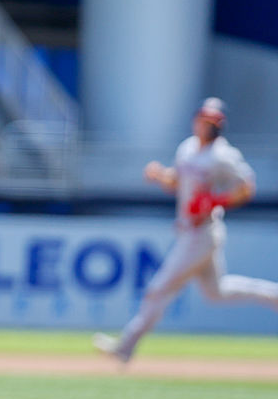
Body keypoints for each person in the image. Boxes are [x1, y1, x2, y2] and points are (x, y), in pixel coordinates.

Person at [93, 97, 278, 364]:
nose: (206, 124)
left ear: (219, 125)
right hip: (190, 231)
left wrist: (216, 200)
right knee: (217, 292)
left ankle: (126, 347)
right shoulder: (188, 148)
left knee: (158, 288)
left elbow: (247, 188)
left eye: (212, 121)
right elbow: (176, 183)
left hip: (202, 233)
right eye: (203, 118)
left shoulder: (224, 155)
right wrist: (159, 175)